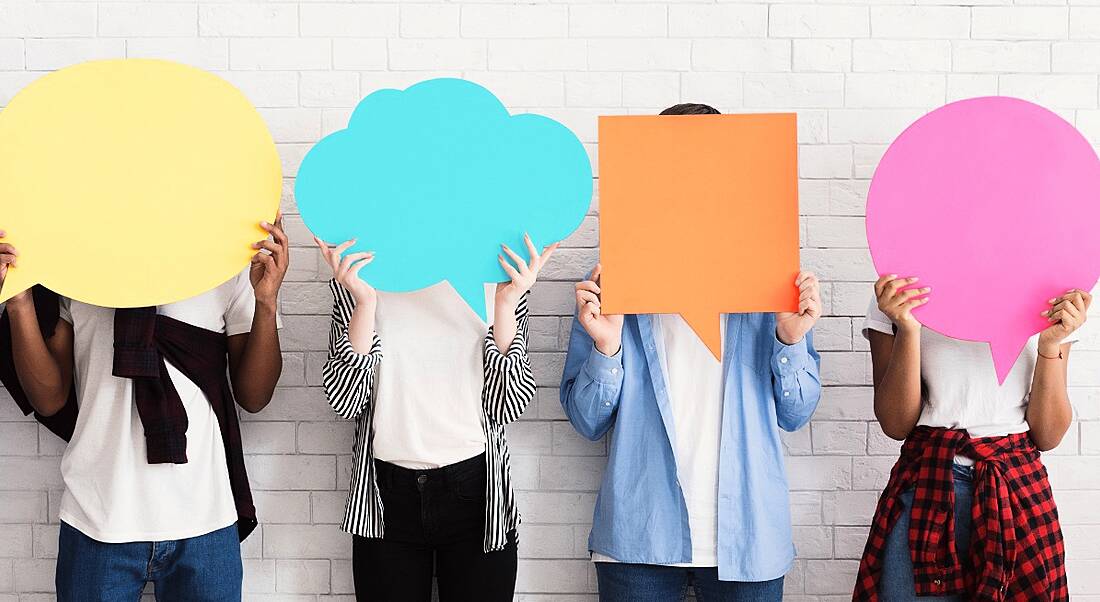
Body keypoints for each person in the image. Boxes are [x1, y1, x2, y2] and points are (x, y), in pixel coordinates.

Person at [559, 102, 823, 602]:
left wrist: (790, 340)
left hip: (747, 542)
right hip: (638, 543)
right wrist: (608, 347)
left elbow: (796, 414)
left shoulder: (771, 281)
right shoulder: (612, 286)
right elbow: (586, 422)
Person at [0, 217, 288, 601]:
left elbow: (255, 396)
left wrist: (266, 302)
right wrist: (18, 299)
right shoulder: (72, 261)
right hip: (98, 518)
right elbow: (49, 399)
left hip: (205, 520)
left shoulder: (228, 256)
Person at [316, 233, 553, 601]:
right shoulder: (359, 272)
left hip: (479, 494)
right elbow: (345, 401)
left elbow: (509, 405)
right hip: (384, 497)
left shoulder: (500, 272)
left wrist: (507, 303)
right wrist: (364, 301)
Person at [853, 275, 1082, 600]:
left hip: (1016, 490)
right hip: (925, 487)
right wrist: (907, 328)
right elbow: (895, 423)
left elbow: (1047, 434)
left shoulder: (1053, 282)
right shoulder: (900, 281)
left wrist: (1050, 345)